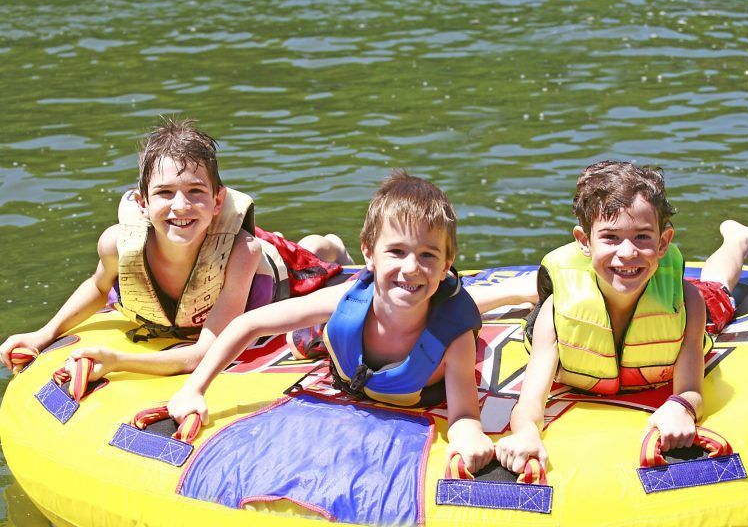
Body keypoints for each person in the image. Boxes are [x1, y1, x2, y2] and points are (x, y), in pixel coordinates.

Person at [168, 169, 514, 473]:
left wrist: (468, 433)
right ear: (369, 253)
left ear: (446, 260)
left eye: (427, 255)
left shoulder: (455, 337)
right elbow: (249, 324)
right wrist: (193, 389)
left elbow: (464, 414)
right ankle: (328, 248)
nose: (411, 266)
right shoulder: (347, 302)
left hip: (429, 338)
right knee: (304, 338)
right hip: (343, 346)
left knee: (453, 300)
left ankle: (516, 290)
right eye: (396, 251)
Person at [0, 118, 351, 379]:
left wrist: (118, 361)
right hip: (209, 251)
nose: (180, 206)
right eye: (165, 193)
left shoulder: (243, 252)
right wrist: (43, 334)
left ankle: (332, 244)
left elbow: (204, 353)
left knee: (313, 255)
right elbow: (98, 286)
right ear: (142, 203)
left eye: (195, 191)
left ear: (218, 201)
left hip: (272, 274)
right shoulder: (117, 245)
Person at [495, 161, 748, 474]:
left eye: (642, 237)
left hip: (666, 297)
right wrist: (526, 433)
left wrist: (680, 407)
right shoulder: (556, 314)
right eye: (611, 237)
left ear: (663, 243)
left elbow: (691, 390)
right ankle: (524, 289)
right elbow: (530, 403)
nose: (628, 252)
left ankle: (738, 242)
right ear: (584, 241)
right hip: (581, 297)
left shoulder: (687, 304)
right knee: (546, 297)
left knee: (717, 290)